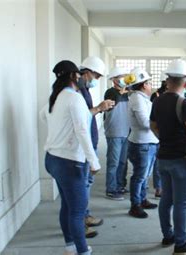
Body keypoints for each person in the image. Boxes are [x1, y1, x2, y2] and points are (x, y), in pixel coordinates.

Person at [40, 60, 99, 255]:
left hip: (52, 159)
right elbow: (82, 131)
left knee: (67, 205)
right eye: (80, 75)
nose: (83, 78)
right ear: (74, 76)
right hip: (69, 162)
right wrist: (93, 160)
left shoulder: (55, 97)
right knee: (77, 210)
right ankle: (83, 251)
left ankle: (70, 247)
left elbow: (43, 116)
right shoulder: (75, 98)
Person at [150, 59, 186, 254]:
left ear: (167, 80)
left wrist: (164, 138)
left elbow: (153, 126)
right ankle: (181, 243)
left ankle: (168, 235)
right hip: (181, 160)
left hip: (163, 158)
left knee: (166, 200)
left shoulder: (157, 100)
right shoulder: (185, 104)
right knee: (181, 203)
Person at [77, 56, 114, 238]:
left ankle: (85, 216)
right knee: (81, 185)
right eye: (96, 76)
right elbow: (80, 119)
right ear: (86, 72)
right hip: (82, 147)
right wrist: (99, 108)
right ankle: (80, 225)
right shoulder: (75, 91)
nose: (96, 80)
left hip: (89, 143)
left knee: (87, 182)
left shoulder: (83, 89)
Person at [125, 67, 159, 219]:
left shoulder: (141, 98)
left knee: (144, 175)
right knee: (139, 175)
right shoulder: (137, 99)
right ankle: (135, 205)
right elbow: (145, 123)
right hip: (142, 143)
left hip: (148, 142)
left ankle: (142, 200)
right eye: (149, 83)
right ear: (144, 84)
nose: (151, 86)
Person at [103, 67, 131, 201]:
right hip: (114, 131)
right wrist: (122, 92)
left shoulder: (127, 93)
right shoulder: (110, 92)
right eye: (120, 76)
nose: (123, 79)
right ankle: (111, 189)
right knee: (113, 162)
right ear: (113, 80)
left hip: (126, 131)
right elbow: (113, 102)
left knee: (123, 162)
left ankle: (120, 185)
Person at [150, 72, 167, 198]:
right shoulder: (155, 95)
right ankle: (158, 187)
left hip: (169, 131)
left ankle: (163, 186)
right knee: (157, 162)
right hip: (157, 131)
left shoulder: (176, 94)